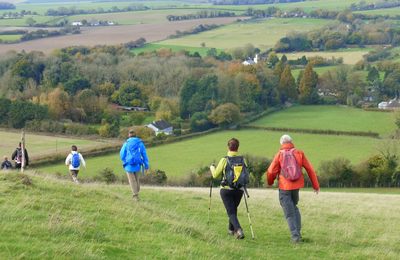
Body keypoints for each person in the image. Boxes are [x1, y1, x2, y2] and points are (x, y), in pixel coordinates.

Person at [266, 134, 320, 243]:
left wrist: (270, 182)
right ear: (291, 142)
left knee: (289, 212)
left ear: (281, 143)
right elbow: (310, 169)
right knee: (294, 207)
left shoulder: (279, 154)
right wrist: (316, 185)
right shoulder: (299, 153)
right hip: (296, 186)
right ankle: (298, 234)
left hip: (284, 187)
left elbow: (271, 171)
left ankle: (295, 237)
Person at [210, 138, 247, 239]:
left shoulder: (224, 160)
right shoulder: (243, 160)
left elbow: (215, 175)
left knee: (230, 212)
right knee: (233, 210)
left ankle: (238, 230)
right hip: (239, 190)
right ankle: (231, 230)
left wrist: (212, 167)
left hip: (226, 189)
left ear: (228, 147)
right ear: (238, 147)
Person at [120, 129, 149, 202]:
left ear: (129, 135)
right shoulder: (140, 143)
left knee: (131, 180)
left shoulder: (126, 143)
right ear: (136, 135)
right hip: (137, 164)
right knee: (136, 179)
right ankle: (137, 192)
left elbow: (122, 154)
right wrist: (146, 165)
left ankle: (135, 196)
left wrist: (124, 160)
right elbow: (144, 154)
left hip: (128, 164)